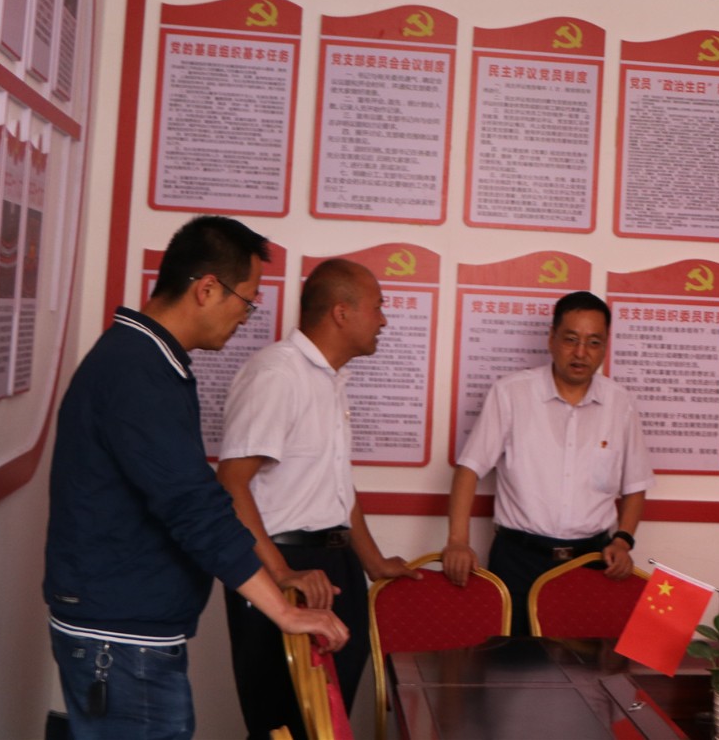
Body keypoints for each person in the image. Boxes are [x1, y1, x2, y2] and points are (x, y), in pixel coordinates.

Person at [44, 216, 347, 740]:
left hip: (129, 629)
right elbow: (192, 505)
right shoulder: (136, 370)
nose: (247, 317)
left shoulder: (150, 360)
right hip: (121, 639)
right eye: (246, 301)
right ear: (207, 289)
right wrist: (283, 611)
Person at [217, 258, 419, 740]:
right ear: (341, 313)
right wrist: (282, 573)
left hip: (334, 566)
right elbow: (230, 484)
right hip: (281, 565)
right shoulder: (277, 374)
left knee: (328, 723)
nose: (384, 320)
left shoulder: (330, 378)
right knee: (283, 724)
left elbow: (336, 485)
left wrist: (372, 562)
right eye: (378, 307)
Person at [442, 290, 652, 635]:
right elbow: (470, 468)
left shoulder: (620, 403)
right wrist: (457, 541)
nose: (581, 352)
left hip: (590, 560)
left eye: (594, 342)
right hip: (518, 560)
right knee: (512, 659)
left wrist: (622, 541)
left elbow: (635, 484)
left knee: (584, 662)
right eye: (571, 339)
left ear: (605, 346)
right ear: (551, 338)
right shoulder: (512, 393)